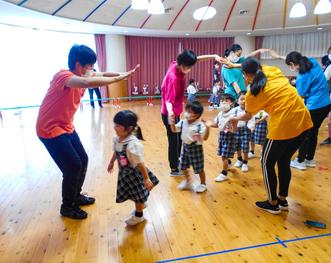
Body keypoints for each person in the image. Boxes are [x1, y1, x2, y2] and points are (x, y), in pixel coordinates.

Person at [36, 44, 139, 220]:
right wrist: (118, 79)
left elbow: (103, 74)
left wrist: (124, 74)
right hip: (49, 128)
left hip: (65, 126)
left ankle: (75, 196)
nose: (92, 69)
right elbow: (87, 82)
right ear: (78, 65)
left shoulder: (83, 73)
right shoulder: (64, 77)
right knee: (73, 166)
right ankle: (67, 206)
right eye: (89, 66)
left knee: (82, 160)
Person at [228, 58, 313, 215]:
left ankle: (272, 202)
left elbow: (248, 116)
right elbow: (252, 66)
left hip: (283, 127)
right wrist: (236, 65)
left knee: (266, 162)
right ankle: (282, 199)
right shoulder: (272, 71)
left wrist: (234, 118)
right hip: (304, 122)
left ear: (245, 75)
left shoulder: (252, 93)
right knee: (283, 160)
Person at [161, 49, 225, 176]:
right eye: (188, 67)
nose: (190, 69)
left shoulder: (176, 64)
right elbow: (168, 100)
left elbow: (198, 59)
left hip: (176, 111)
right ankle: (174, 168)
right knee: (174, 141)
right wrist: (170, 114)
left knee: (178, 138)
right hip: (169, 113)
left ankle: (179, 162)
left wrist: (214, 55)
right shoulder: (173, 78)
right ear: (182, 64)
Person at [107, 110, 159, 226]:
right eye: (115, 124)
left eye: (118, 125)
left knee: (137, 196)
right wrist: (111, 162)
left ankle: (139, 215)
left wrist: (146, 179)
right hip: (125, 173)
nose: (115, 127)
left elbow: (140, 163)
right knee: (133, 194)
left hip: (135, 174)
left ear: (129, 128)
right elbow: (116, 151)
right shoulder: (117, 139)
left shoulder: (132, 145)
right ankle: (141, 203)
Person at [283, 51, 331, 169]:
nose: (291, 68)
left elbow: (302, 94)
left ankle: (300, 161)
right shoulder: (312, 61)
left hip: (314, 107)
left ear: (292, 64)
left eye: (290, 66)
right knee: (313, 132)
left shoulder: (301, 77)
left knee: (305, 134)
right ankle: (310, 159)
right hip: (326, 105)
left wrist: (295, 84)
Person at [170, 101, 210, 193]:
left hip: (196, 149)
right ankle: (188, 182)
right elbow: (174, 130)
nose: (186, 113)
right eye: (187, 110)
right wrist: (172, 123)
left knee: (199, 168)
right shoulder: (183, 122)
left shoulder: (200, 125)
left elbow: (206, 138)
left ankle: (203, 184)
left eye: (190, 111)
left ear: (197, 115)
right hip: (185, 147)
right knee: (183, 166)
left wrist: (208, 128)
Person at [205, 93, 237, 182]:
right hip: (222, 136)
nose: (223, 103)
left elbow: (235, 127)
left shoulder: (233, 113)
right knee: (223, 154)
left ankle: (224, 173)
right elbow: (217, 124)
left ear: (232, 103)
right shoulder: (220, 113)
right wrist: (209, 124)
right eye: (222, 101)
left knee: (224, 156)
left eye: (226, 101)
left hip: (230, 137)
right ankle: (229, 163)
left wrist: (233, 126)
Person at [232, 91, 253, 172]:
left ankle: (245, 162)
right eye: (242, 99)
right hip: (236, 130)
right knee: (237, 146)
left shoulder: (249, 111)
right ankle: (239, 159)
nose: (244, 101)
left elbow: (252, 120)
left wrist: (252, 126)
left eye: (246, 100)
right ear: (238, 101)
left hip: (246, 131)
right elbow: (231, 119)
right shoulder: (234, 110)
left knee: (245, 147)